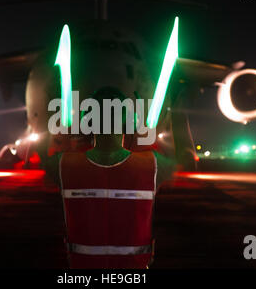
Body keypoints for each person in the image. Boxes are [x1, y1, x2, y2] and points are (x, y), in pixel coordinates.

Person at [44, 87, 186, 268]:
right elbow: (181, 160)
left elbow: (44, 156)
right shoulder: (154, 165)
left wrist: (53, 116)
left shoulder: (62, 164)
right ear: (130, 121)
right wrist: (175, 112)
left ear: (87, 121)